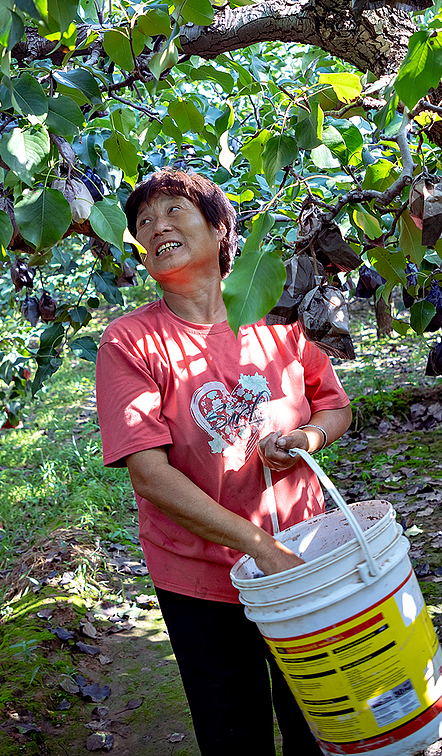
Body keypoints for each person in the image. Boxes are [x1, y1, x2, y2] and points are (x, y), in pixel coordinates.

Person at [95, 168, 353, 755]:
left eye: (172, 212)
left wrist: (307, 440)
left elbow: (335, 406)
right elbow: (150, 474)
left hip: (305, 556)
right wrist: (261, 549)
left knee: (319, 723)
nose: (155, 226)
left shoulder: (280, 316)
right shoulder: (130, 340)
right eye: (143, 222)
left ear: (220, 228)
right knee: (234, 734)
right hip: (202, 578)